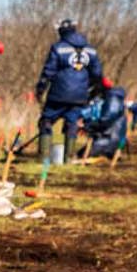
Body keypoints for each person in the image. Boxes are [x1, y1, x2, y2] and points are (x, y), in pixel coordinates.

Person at [33, 19, 103, 165]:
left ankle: (44, 158)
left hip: (58, 95)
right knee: (72, 124)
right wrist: (89, 90)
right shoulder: (91, 50)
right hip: (79, 96)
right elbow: (97, 74)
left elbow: (48, 72)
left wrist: (40, 90)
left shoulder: (58, 48)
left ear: (61, 31)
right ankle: (68, 158)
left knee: (46, 121)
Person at [81, 86, 128, 159]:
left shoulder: (113, 100)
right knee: (81, 153)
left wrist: (88, 126)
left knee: (80, 155)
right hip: (110, 138)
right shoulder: (115, 100)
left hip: (109, 140)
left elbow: (106, 119)